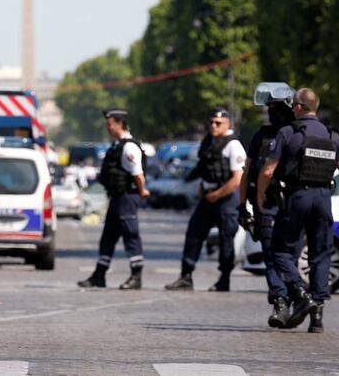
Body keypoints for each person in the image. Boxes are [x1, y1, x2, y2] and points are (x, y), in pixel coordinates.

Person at [257, 88, 339, 332]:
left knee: (280, 251)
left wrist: (261, 194)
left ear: (300, 107)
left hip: (297, 196)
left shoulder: (288, 132)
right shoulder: (331, 134)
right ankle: (317, 319)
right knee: (320, 255)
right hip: (323, 197)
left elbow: (269, 170)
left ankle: (300, 293)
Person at [166, 107, 246, 292]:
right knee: (193, 234)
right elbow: (203, 168)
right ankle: (186, 276)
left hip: (226, 198)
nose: (213, 126)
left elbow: (237, 179)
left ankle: (224, 279)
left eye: (218, 123)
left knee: (226, 239)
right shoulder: (208, 141)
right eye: (211, 122)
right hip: (208, 197)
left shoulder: (233, 145)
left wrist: (217, 194)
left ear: (227, 124)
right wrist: (201, 187)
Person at [239, 83, 296, 327]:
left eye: (276, 107)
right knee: (271, 256)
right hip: (267, 206)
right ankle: (281, 301)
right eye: (269, 107)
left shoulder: (298, 133)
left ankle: (302, 300)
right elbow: (248, 171)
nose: (272, 111)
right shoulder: (261, 135)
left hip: (294, 205)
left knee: (290, 257)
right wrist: (242, 205)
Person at [78, 108, 150, 290]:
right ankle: (99, 275)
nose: (108, 127)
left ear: (120, 124)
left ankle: (136, 276)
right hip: (117, 197)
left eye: (110, 124)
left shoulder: (129, 147)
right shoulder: (117, 145)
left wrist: (142, 191)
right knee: (108, 237)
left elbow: (138, 174)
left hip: (127, 197)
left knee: (130, 236)